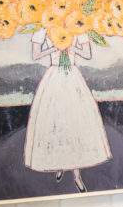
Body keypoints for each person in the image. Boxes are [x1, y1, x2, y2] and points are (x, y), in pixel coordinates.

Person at [24, 28, 111, 193]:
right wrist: (57, 46)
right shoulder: (43, 27)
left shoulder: (77, 24)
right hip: (54, 77)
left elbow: (87, 53)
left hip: (72, 77)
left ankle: (77, 175)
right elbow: (36, 54)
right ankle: (60, 164)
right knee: (55, 124)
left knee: (74, 123)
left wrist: (70, 46)